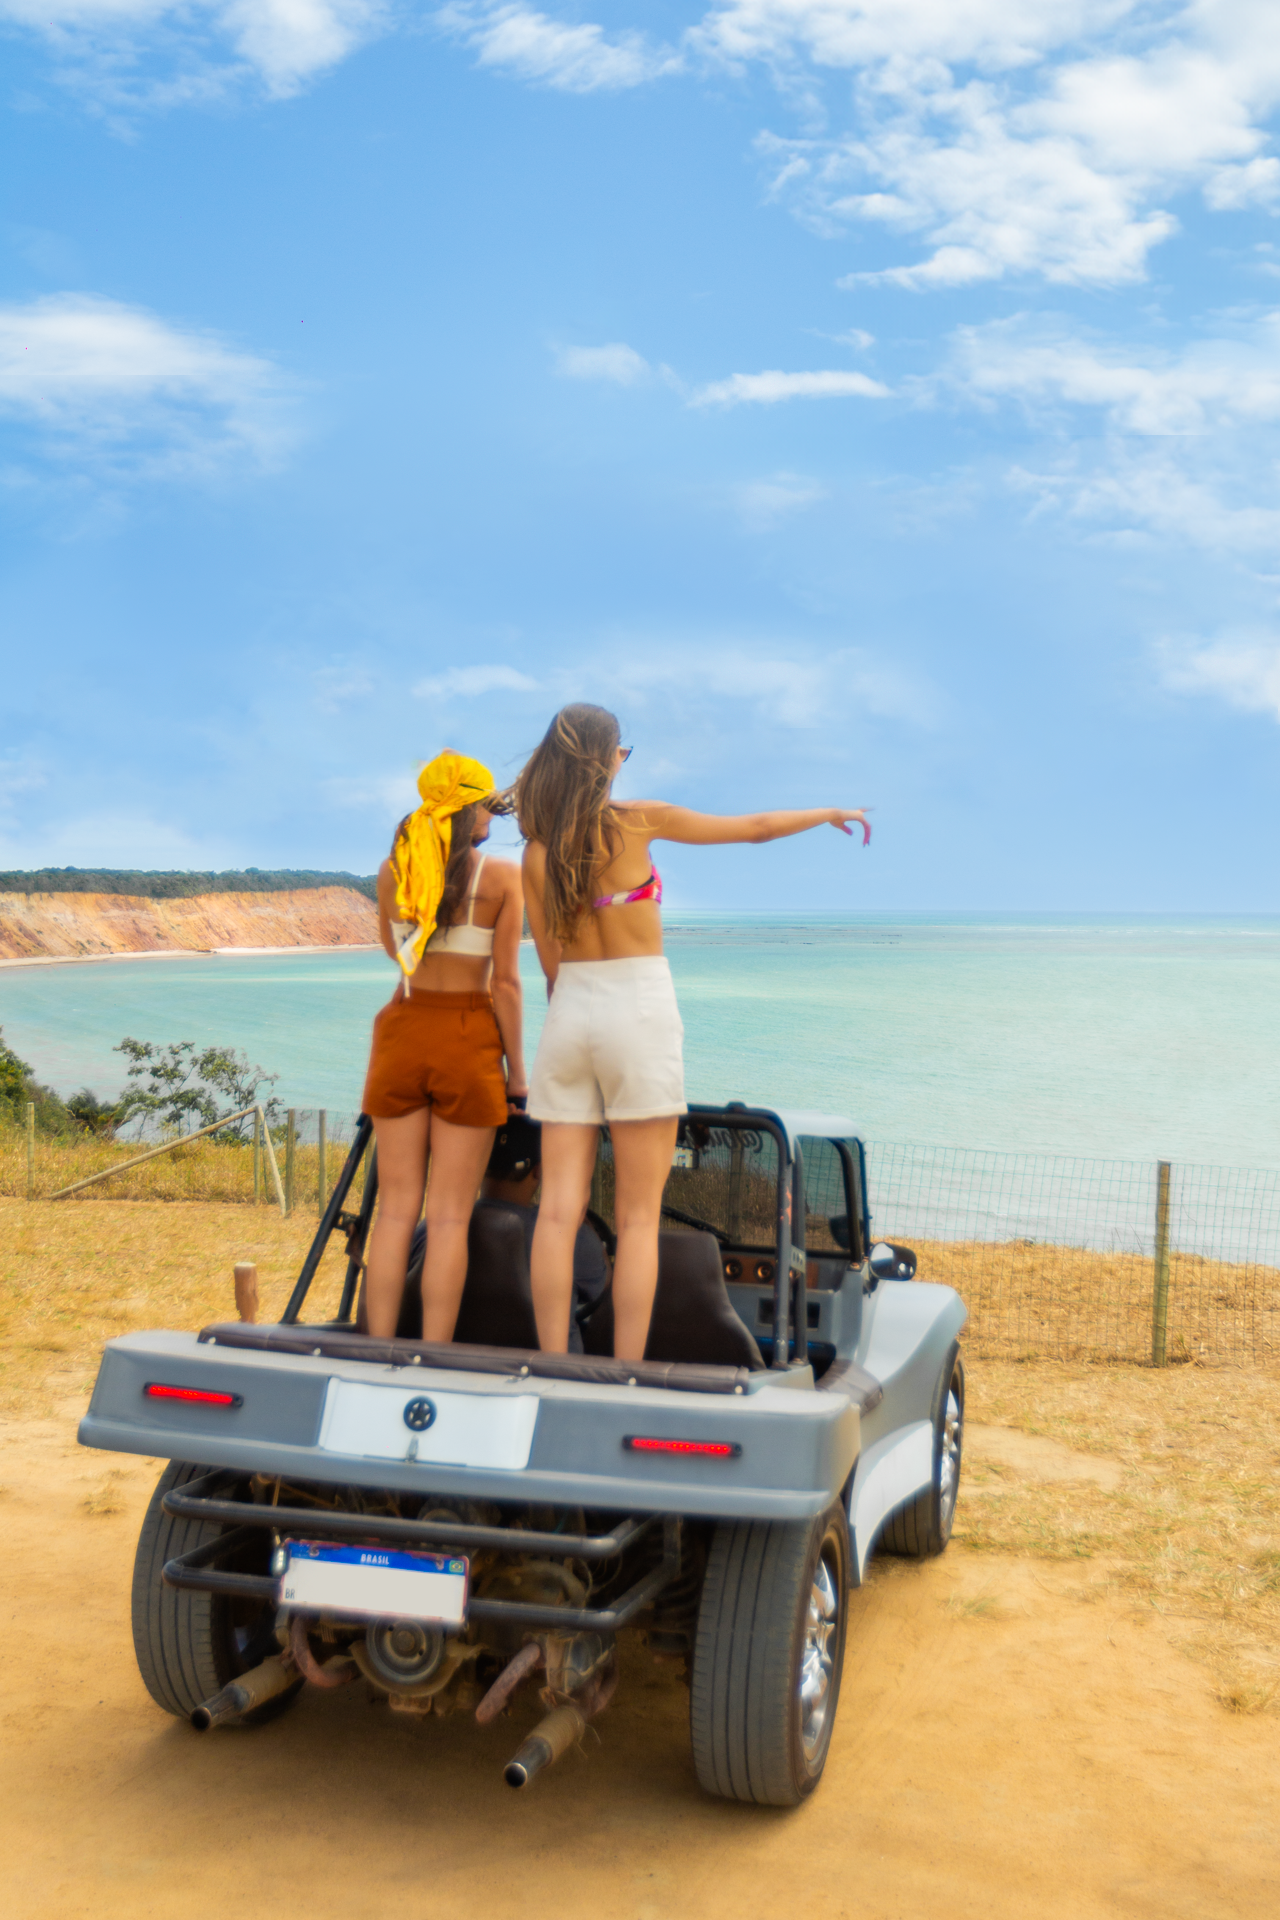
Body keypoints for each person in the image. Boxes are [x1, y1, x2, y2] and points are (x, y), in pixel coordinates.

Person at [515, 702, 870, 1361]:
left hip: (570, 1018)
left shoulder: (536, 854)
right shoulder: (634, 820)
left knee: (558, 1212)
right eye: (622, 753)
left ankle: (552, 1366)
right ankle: (623, 1371)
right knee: (638, 1219)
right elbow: (756, 829)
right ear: (607, 760)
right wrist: (827, 813)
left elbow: (551, 971)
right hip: (636, 1008)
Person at [361, 749, 527, 1341]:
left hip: (404, 1030)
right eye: (487, 807)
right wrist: (519, 1075)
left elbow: (395, 954)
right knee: (450, 1216)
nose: (493, 819)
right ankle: (434, 1350)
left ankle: (376, 1345)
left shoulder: (392, 871)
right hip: (468, 1035)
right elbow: (505, 983)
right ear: (468, 807)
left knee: (395, 1211)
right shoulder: (502, 877)